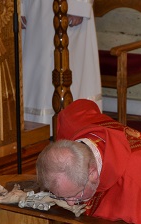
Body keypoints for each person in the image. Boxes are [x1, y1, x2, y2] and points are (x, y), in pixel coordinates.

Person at [21, 0, 102, 132]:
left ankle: (70, 128)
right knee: (37, 66)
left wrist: (79, 6)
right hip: (35, 9)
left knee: (67, 66)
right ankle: (39, 128)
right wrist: (20, 7)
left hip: (68, 9)